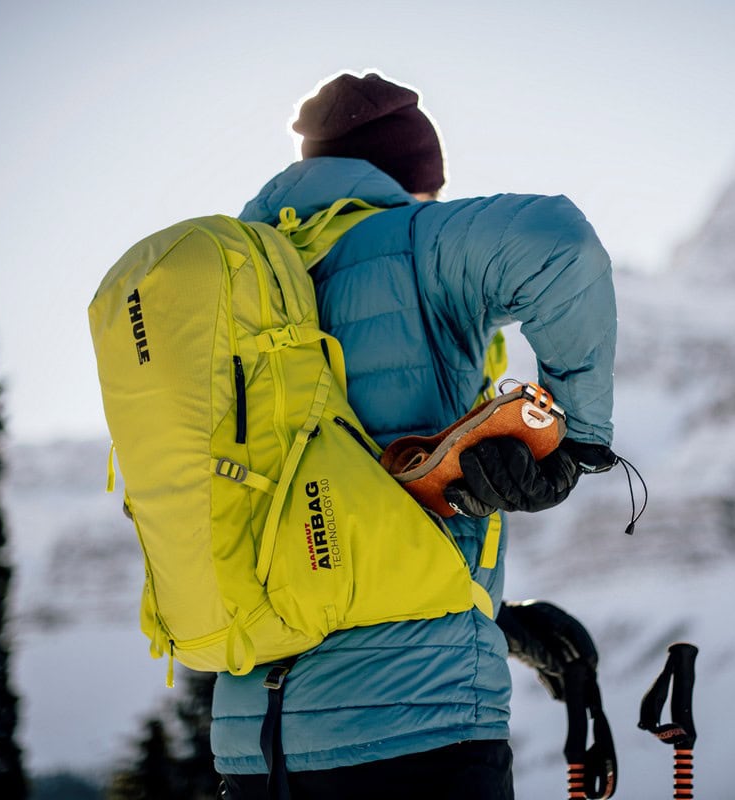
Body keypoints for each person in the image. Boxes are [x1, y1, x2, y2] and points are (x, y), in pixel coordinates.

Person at [214, 69, 619, 800]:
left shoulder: (238, 293)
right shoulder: (408, 240)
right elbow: (562, 247)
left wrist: (495, 621)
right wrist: (578, 440)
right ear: (410, 179)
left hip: (253, 750)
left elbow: (310, 528)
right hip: (420, 728)